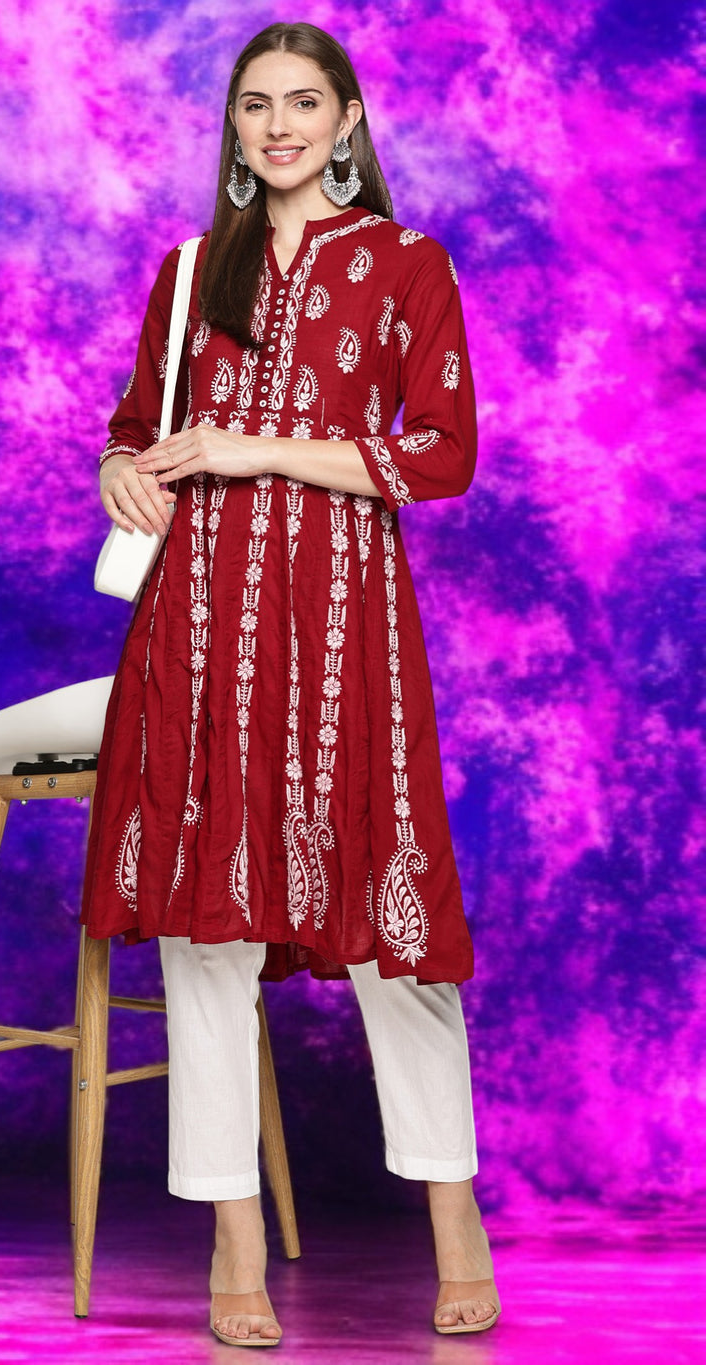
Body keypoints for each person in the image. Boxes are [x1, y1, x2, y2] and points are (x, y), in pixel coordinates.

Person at [81, 21, 499, 1346]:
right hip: (197, 623)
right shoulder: (193, 265)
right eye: (256, 106)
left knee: (394, 921)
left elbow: (440, 453)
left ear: (351, 118)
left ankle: (452, 1212)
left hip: (345, 630)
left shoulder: (408, 267)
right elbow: (139, 427)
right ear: (234, 124)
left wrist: (245, 441)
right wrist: (124, 466)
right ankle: (234, 1234)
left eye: (304, 104)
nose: (279, 128)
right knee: (211, 938)